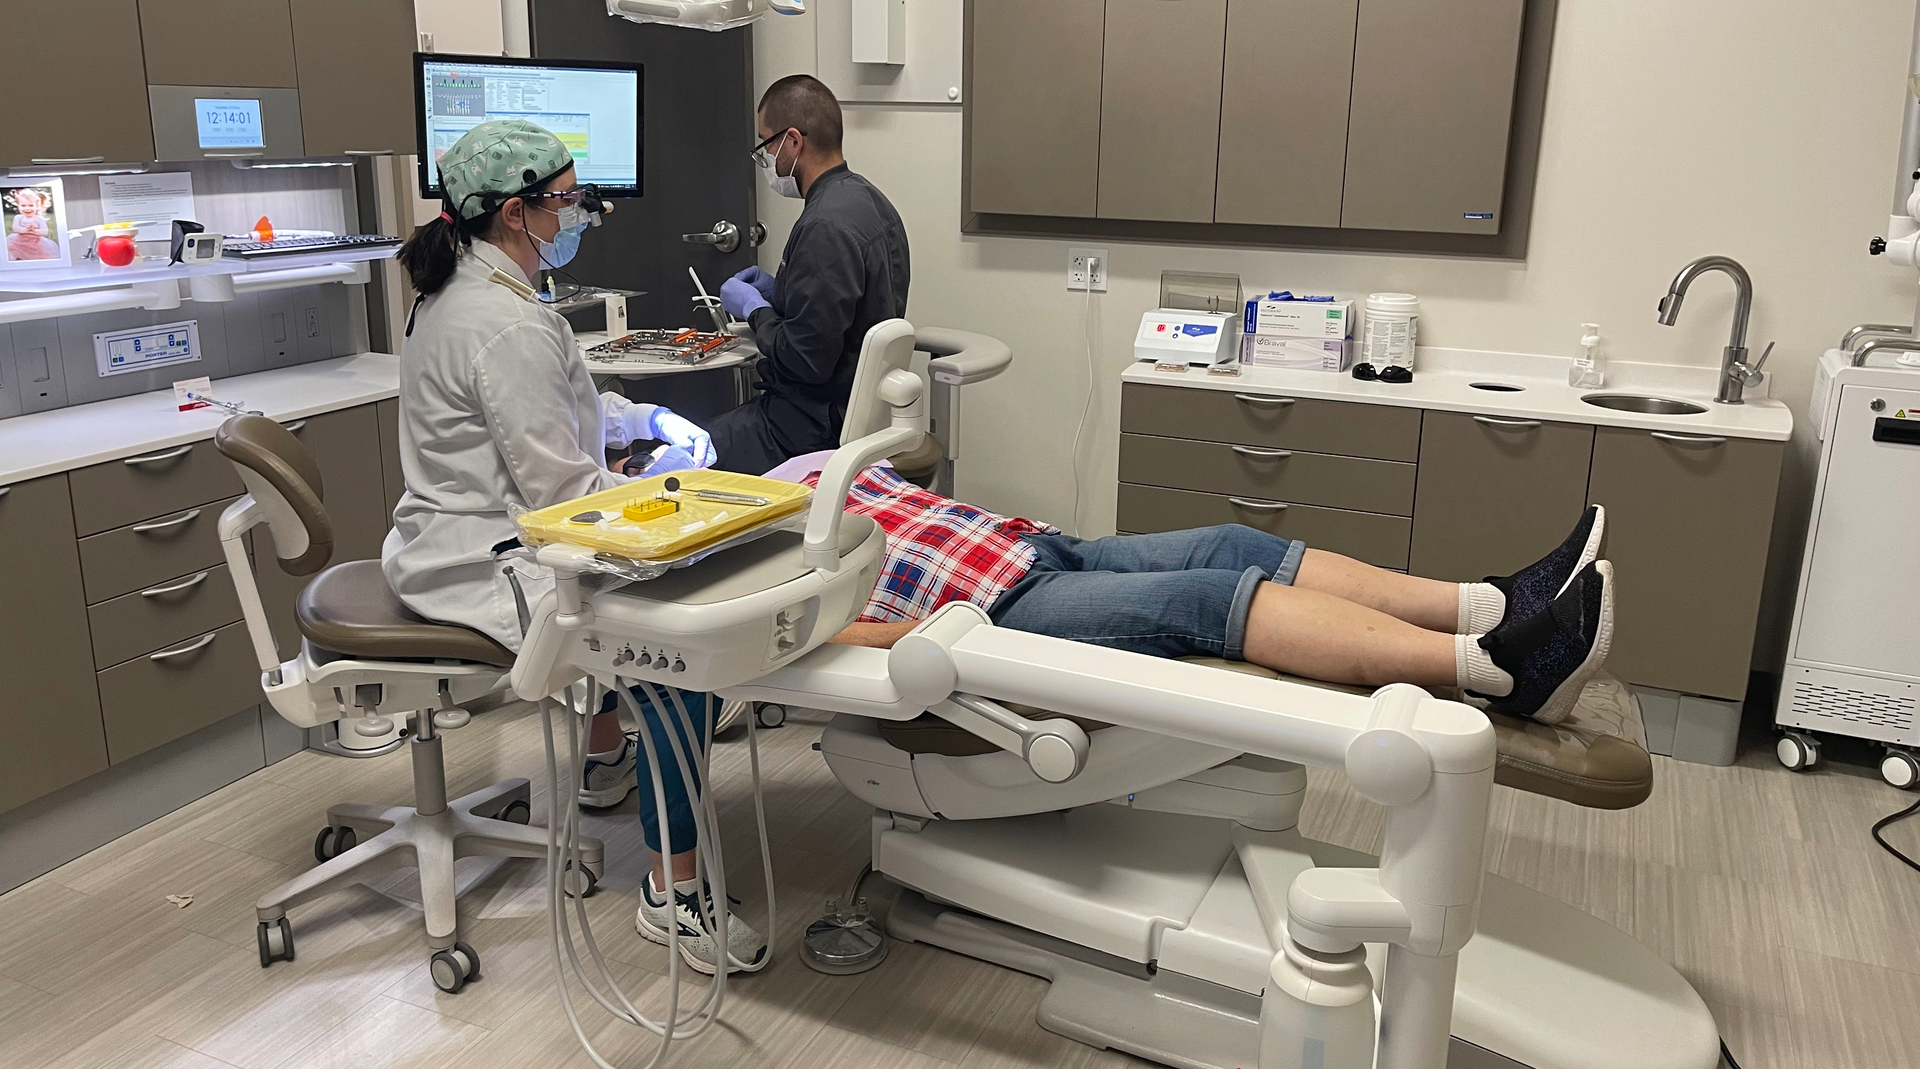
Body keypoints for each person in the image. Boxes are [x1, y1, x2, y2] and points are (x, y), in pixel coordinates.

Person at [583, 454, 1616, 975]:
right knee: (1203, 603)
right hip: (989, 616)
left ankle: (1490, 603)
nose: (651, 467)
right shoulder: (708, 569)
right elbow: (796, 642)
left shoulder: (779, 474)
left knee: (1230, 542)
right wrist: (924, 641)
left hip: (1030, 546)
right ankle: (1492, 671)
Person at [380, 118, 765, 975]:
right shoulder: (504, 323)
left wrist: (644, 418)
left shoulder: (464, 292)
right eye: (567, 201)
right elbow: (564, 502)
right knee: (676, 651)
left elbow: (556, 408)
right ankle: (673, 893)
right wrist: (658, 483)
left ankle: (602, 764)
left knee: (647, 594)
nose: (581, 214)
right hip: (492, 565)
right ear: (515, 212)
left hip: (448, 539)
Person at [703, 75, 910, 475]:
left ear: (793, 142)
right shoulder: (872, 202)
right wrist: (780, 291)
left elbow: (805, 360)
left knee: (668, 454)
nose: (765, 158)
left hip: (804, 432)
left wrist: (755, 310)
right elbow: (845, 311)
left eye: (766, 144)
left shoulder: (823, 227)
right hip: (847, 418)